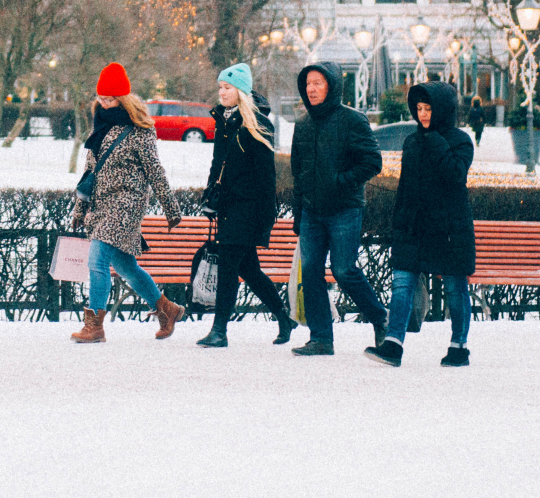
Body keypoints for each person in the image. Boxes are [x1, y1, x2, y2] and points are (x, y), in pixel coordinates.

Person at [69, 63, 183, 344]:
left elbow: (155, 170)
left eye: (111, 98)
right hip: (101, 205)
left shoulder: (140, 130)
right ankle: (166, 309)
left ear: (123, 97)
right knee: (125, 266)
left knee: (97, 260)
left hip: (127, 204)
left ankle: (94, 325)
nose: (105, 104)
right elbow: (89, 173)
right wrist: (79, 209)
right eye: (101, 98)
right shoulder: (99, 126)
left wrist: (171, 207)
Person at [366, 81, 475, 368]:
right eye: (419, 108)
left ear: (443, 110)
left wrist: (435, 138)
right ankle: (393, 344)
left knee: (455, 286)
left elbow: (455, 174)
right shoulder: (411, 141)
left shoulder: (461, 140)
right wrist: (399, 220)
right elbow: (406, 186)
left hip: (449, 228)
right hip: (413, 226)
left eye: (429, 108)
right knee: (402, 283)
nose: (423, 114)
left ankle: (459, 346)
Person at [289, 61, 389, 356]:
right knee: (310, 271)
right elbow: (298, 173)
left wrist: (339, 182)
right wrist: (299, 213)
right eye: (308, 83)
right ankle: (321, 338)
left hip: (344, 208)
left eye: (318, 83)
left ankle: (380, 317)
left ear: (331, 86)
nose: (312, 89)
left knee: (344, 270)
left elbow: (372, 162)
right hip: (311, 212)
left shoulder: (352, 120)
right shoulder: (303, 124)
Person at [196, 63, 296, 347]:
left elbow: (267, 174)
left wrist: (267, 215)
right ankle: (283, 317)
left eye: (227, 87)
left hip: (248, 207)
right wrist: (209, 193)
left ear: (240, 90)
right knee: (249, 269)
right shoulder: (224, 120)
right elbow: (218, 162)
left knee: (229, 265)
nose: (222, 92)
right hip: (228, 205)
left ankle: (219, 331)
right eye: (220, 87)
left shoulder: (258, 123)